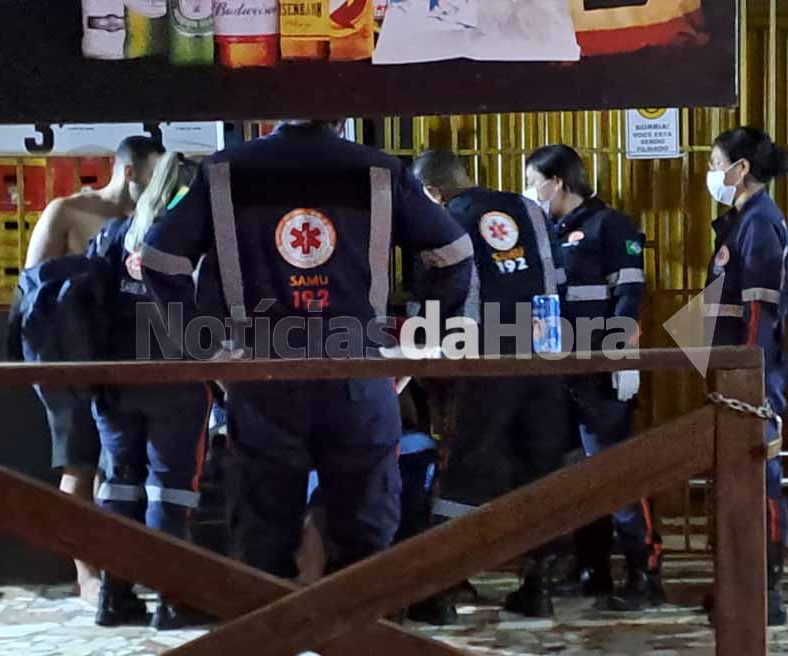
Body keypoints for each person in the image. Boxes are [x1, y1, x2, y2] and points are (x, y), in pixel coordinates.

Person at [141, 120, 473, 582]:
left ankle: (273, 619)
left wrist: (208, 349)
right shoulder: (380, 170)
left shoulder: (224, 170)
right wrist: (420, 343)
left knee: (263, 535)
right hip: (358, 370)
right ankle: (360, 623)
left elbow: (158, 257)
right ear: (340, 116)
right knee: (366, 537)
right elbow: (453, 251)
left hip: (262, 374)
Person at [412, 149, 574, 620]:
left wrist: (426, 353)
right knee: (540, 468)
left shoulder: (442, 220)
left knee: (465, 471)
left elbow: (440, 294)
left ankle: (440, 591)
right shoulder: (528, 208)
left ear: (432, 192)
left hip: (481, 363)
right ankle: (538, 587)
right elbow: (556, 279)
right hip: (543, 358)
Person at [22, 136, 165, 606]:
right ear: (130, 173)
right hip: (69, 361)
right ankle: (86, 574)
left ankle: (115, 573)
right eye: (153, 178)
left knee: (117, 471)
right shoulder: (66, 211)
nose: (159, 188)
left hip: (125, 360)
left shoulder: (150, 221)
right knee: (79, 466)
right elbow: (32, 290)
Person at [525, 145, 659, 613]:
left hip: (600, 370)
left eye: (533, 182)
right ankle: (591, 569)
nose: (530, 192)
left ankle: (646, 573)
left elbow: (630, 295)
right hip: (559, 369)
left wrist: (618, 355)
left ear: (558, 181)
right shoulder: (547, 231)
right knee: (576, 477)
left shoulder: (610, 225)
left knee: (617, 472)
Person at [88, 152, 214, 630]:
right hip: (176, 381)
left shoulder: (113, 236)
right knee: (172, 488)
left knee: (119, 484)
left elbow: (91, 301)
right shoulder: (195, 244)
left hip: (116, 381)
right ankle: (170, 599)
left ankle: (113, 596)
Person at [703, 127, 788, 626]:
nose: (710, 173)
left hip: (751, 375)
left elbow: (759, 307)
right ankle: (738, 580)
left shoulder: (761, 221)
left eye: (715, 163)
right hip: (729, 369)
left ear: (740, 169)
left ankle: (766, 588)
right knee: (735, 477)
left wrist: (749, 370)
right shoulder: (740, 220)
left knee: (760, 477)